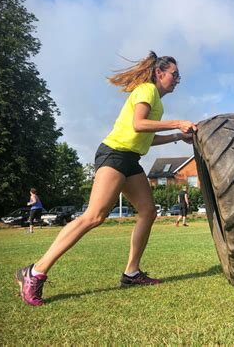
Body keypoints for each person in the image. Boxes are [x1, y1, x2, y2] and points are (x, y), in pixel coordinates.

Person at [15, 51, 197, 306]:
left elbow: (147, 137)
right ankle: (34, 272)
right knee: (94, 216)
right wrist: (178, 123)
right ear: (159, 73)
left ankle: (131, 273)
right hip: (114, 154)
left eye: (179, 76)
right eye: (174, 74)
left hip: (130, 159)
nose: (178, 79)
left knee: (148, 211)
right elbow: (138, 124)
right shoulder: (146, 90)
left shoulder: (158, 101)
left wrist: (178, 137)